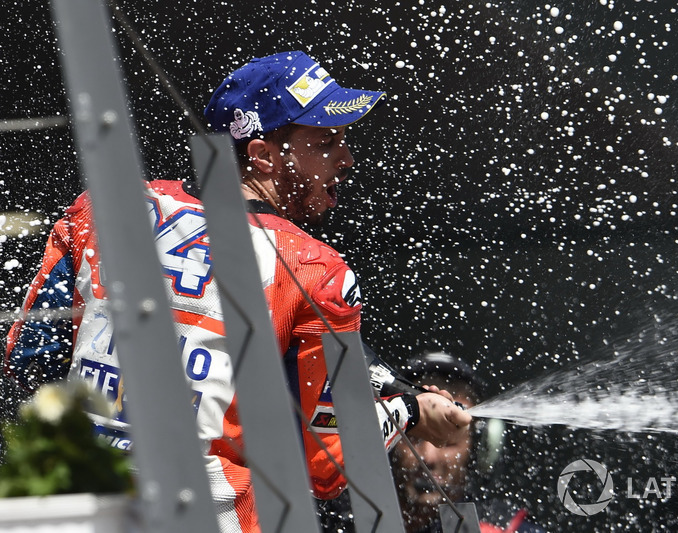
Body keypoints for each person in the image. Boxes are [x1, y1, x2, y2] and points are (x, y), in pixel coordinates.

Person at [4, 51, 471, 532]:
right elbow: (329, 464)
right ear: (264, 156)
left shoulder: (103, 208)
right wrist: (410, 411)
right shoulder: (317, 270)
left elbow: (27, 361)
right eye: (325, 142)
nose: (346, 160)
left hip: (63, 510)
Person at [392, 351, 544, 533]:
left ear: (479, 449)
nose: (427, 457)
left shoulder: (504, 530)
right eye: (414, 438)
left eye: (448, 441)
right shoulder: (351, 515)